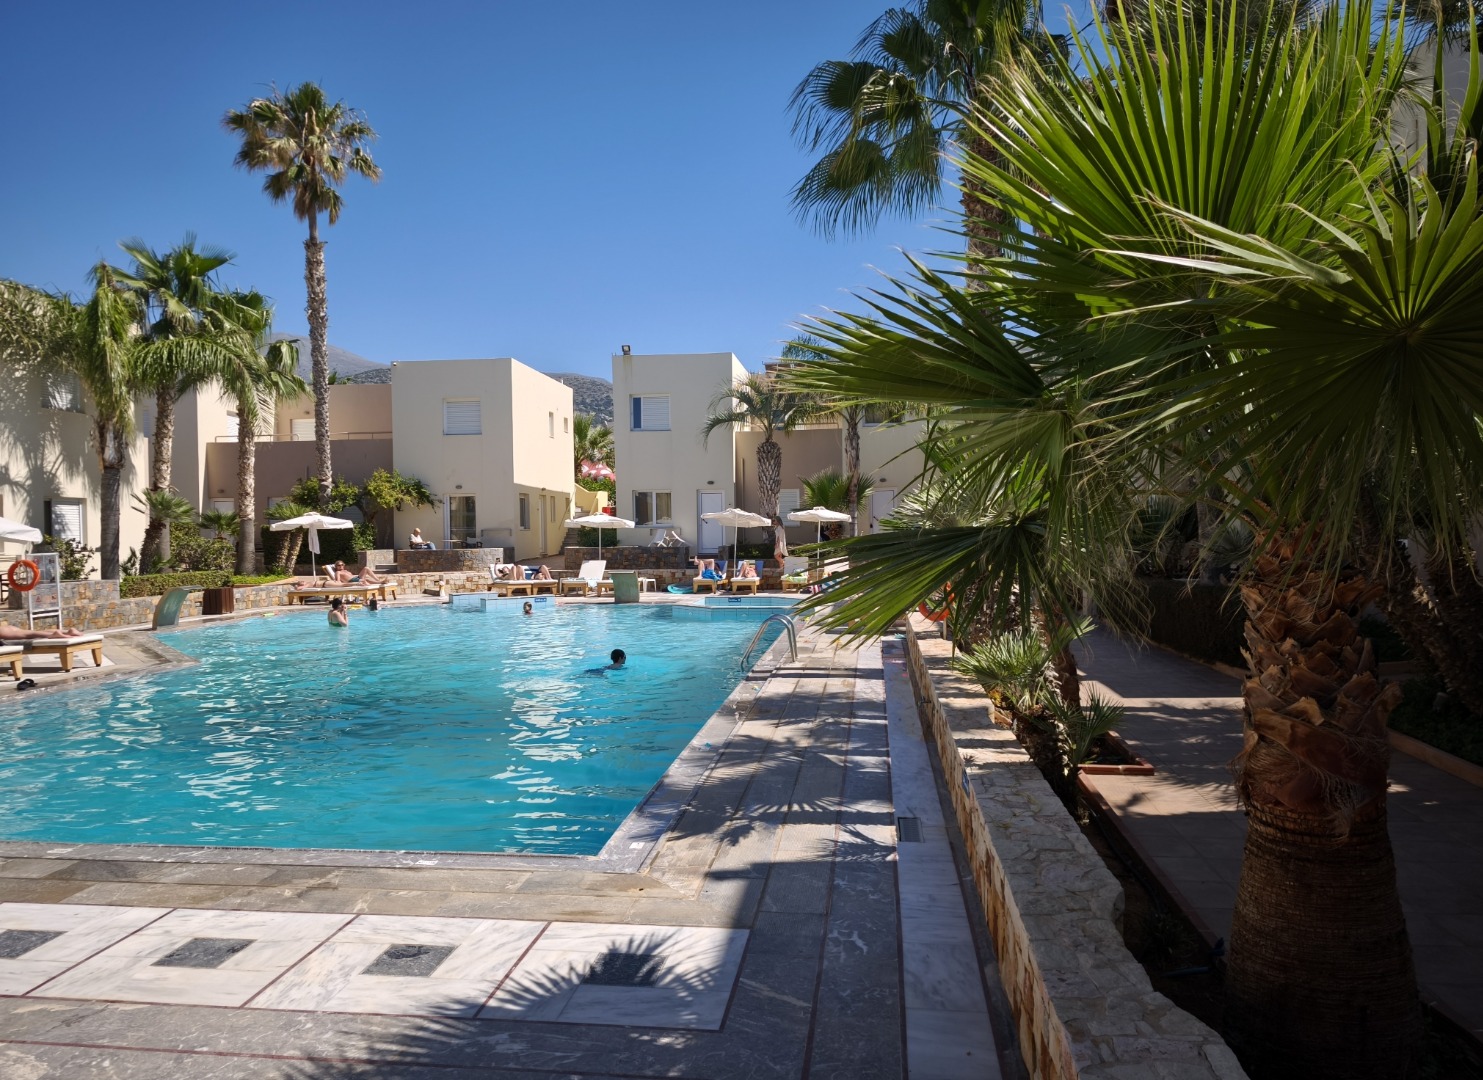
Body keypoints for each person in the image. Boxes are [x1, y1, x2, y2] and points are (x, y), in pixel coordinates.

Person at [0, 623, 77, 642]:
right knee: (32, 632)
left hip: (3, 631)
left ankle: (52, 634)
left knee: (29, 634)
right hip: (6, 628)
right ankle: (67, 632)